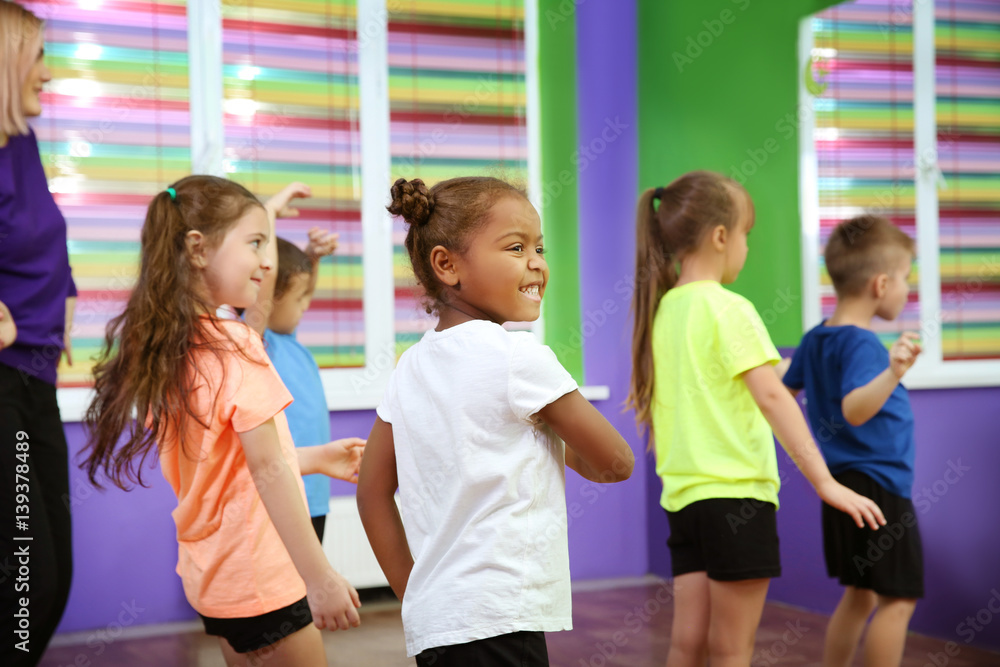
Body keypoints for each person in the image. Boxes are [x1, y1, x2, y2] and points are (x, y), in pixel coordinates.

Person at [82, 175, 361, 666]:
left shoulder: (169, 350)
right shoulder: (234, 345)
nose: (266, 261)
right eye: (255, 243)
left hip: (218, 575)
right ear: (197, 249)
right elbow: (266, 470)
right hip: (261, 574)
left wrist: (315, 458)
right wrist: (320, 578)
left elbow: (226, 467)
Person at [356, 176, 635, 666]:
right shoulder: (519, 357)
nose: (537, 262)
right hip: (501, 615)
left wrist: (414, 593)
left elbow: (371, 493)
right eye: (516, 247)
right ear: (447, 265)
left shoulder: (411, 367)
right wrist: (549, 431)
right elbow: (617, 462)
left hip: (437, 623)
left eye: (540, 247)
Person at [626, 171, 885, 667]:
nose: (747, 247)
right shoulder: (729, 308)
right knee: (732, 650)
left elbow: (731, 383)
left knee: (687, 645)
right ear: (721, 236)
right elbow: (771, 397)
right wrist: (825, 482)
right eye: (747, 234)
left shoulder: (664, 311)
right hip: (737, 500)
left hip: (685, 502)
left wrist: (779, 368)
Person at [779, 214, 922, 667]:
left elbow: (782, 393)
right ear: (881, 284)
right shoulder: (862, 344)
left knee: (860, 595)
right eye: (905, 278)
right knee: (897, 600)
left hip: (842, 488)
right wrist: (893, 372)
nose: (907, 289)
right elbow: (856, 409)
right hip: (879, 490)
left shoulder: (816, 337)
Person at [0, 3, 75, 663]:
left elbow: (44, 234)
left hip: (37, 373)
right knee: (29, 583)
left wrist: (66, 297)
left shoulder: (19, 142)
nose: (48, 73)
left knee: (52, 580)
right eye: (40, 56)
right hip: (4, 383)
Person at [242, 181, 365, 542]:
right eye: (298, 299)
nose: (307, 304)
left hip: (314, 495)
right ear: (269, 297)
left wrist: (312, 259)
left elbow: (294, 287)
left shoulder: (288, 341)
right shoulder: (258, 344)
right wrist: (268, 213)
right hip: (285, 496)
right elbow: (268, 283)